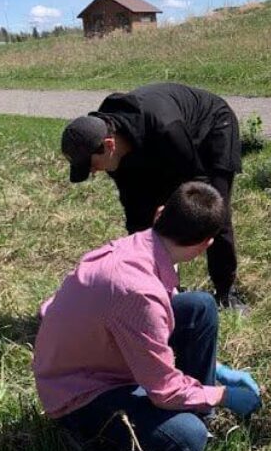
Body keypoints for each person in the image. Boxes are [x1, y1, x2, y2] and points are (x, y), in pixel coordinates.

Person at [32, 181, 262, 451]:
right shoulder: (139, 293)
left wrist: (216, 371)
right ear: (205, 245)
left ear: (160, 214)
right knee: (189, 439)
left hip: (99, 357)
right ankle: (88, 437)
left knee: (200, 306)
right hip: (79, 394)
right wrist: (224, 394)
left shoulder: (140, 248)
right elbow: (163, 391)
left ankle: (199, 409)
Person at [60, 82, 246, 311]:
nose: (92, 172)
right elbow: (135, 208)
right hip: (161, 147)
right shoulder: (113, 146)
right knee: (146, 210)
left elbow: (198, 185)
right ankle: (163, 288)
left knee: (212, 211)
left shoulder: (164, 127)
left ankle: (226, 292)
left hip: (212, 126)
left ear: (109, 145)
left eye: (91, 166)